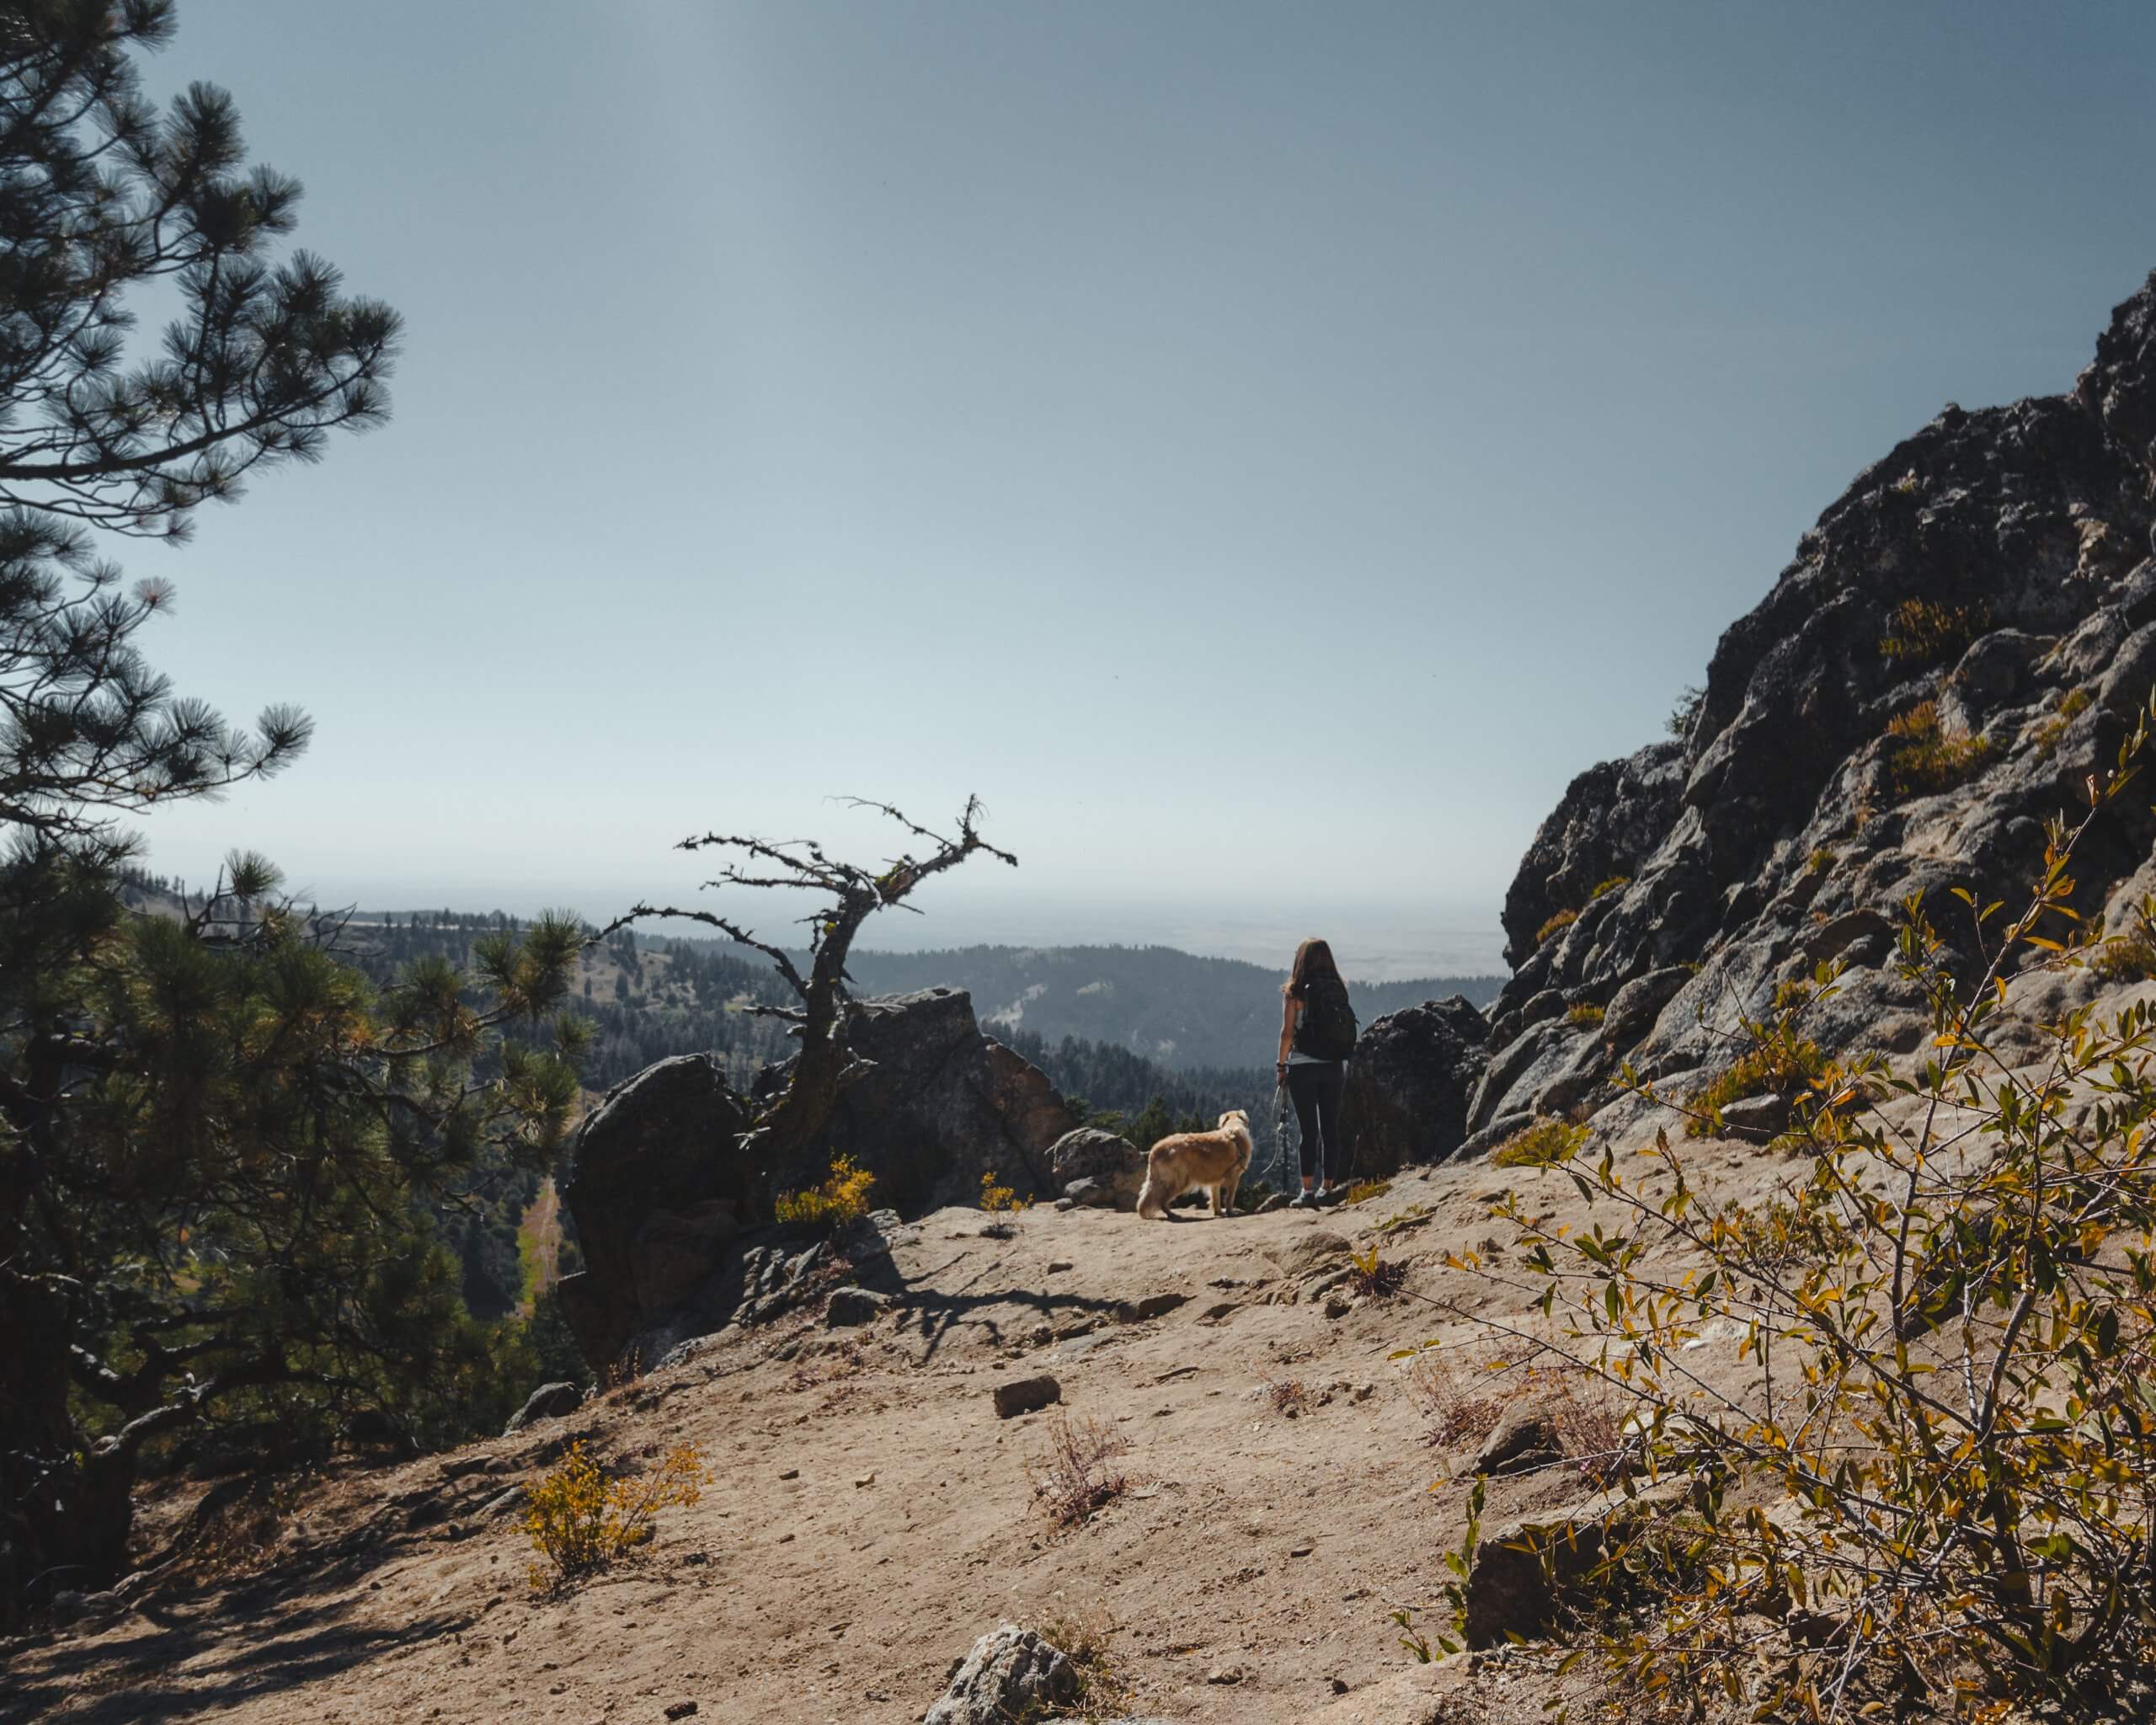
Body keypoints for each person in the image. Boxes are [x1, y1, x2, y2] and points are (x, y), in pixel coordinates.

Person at [1275, 937, 1357, 1209]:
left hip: (1303, 1069)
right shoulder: (1338, 988)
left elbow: (1287, 1033)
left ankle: (1307, 1191)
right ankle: (1328, 1188)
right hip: (1334, 1067)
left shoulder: (1294, 992)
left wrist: (1281, 1065)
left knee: (1309, 1132)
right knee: (1330, 1128)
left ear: (1301, 960)